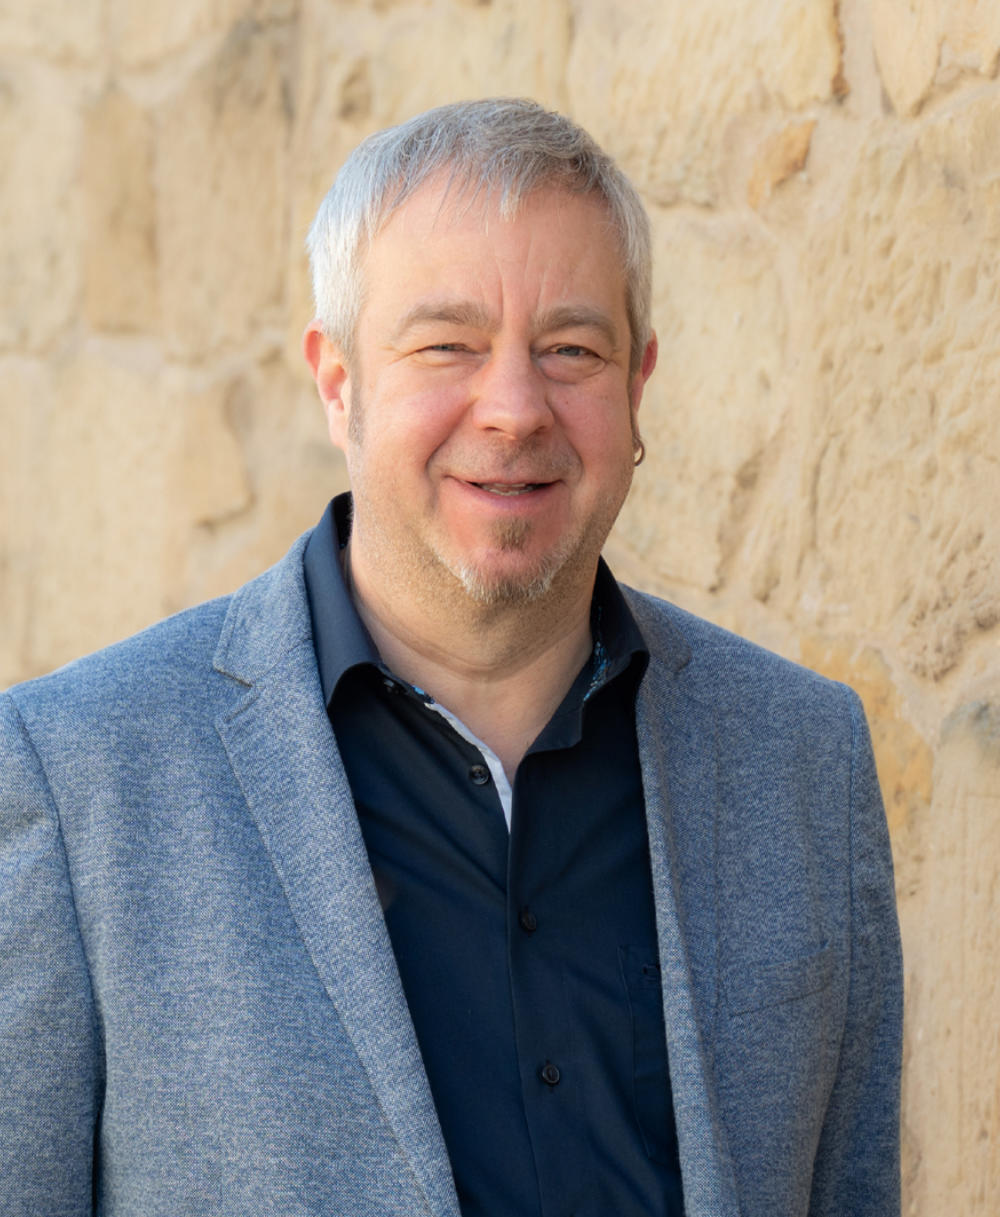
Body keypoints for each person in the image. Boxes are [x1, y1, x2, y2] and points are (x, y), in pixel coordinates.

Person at [0, 99, 901, 1217]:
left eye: (571, 349)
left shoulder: (803, 761)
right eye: (446, 345)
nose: (515, 409)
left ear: (636, 387)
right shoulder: (77, 775)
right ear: (339, 382)